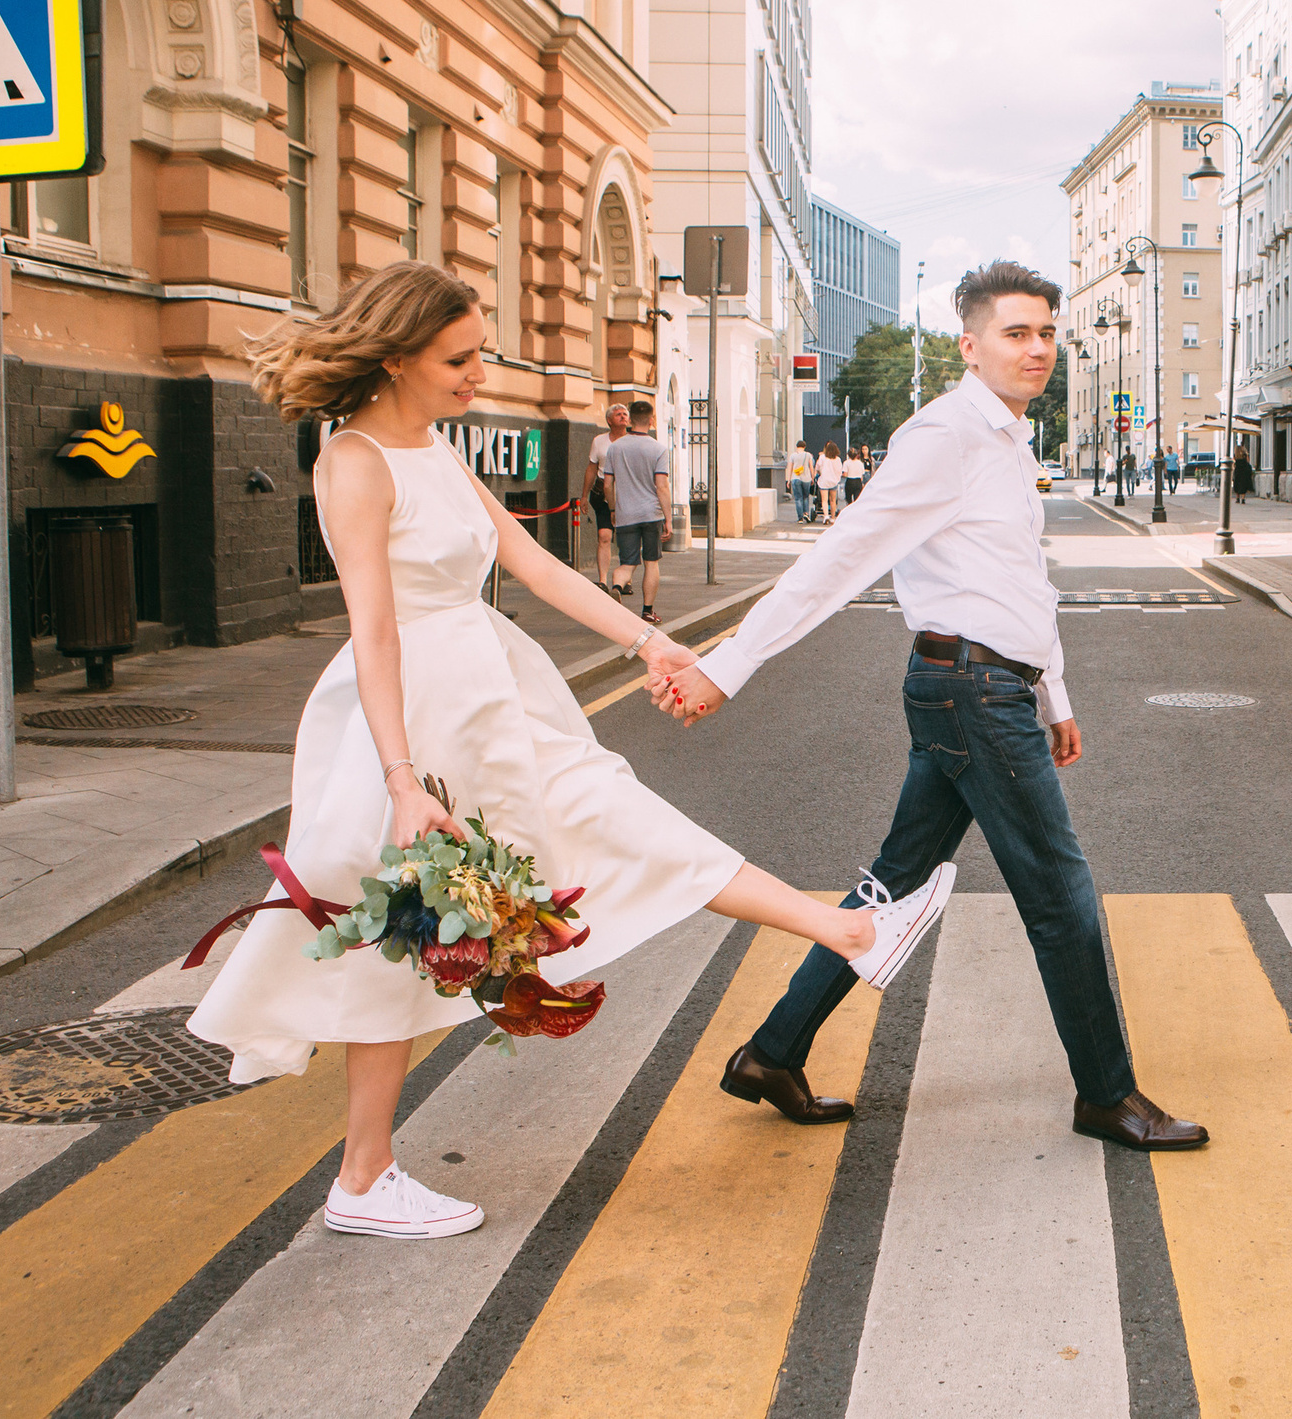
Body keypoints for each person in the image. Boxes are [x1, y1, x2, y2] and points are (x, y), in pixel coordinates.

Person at [196, 261, 945, 1242]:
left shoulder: (432, 446)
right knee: (396, 946)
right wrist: (396, 778)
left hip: (489, 695)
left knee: (606, 814)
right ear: (394, 356)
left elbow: (533, 561)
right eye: (459, 358)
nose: (478, 375)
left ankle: (849, 933)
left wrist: (649, 639)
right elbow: (372, 629)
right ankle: (365, 1177)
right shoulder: (356, 462)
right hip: (411, 720)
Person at [655, 260, 1206, 1154]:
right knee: (1062, 896)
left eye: (1045, 333)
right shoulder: (945, 435)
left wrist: (1055, 692)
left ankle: (772, 1051)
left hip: (988, 687)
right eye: (1014, 333)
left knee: (894, 882)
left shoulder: (1007, 441)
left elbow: (1022, 581)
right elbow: (842, 555)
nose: (1036, 349)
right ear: (971, 344)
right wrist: (730, 662)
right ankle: (1107, 1094)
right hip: (972, 693)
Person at [601, 399, 672, 624]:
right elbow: (661, 486)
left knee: (627, 563)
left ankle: (616, 586)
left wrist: (613, 508)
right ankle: (647, 611)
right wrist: (668, 519)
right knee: (651, 562)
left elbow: (607, 485)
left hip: (626, 514)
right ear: (651, 421)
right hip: (651, 515)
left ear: (630, 419)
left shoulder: (615, 447)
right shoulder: (659, 449)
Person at [585, 404, 628, 588]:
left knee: (626, 537)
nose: (623, 416)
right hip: (603, 493)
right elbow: (591, 469)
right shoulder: (599, 441)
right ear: (609, 421)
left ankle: (625, 579)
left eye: (625, 414)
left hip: (627, 494)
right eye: (618, 414)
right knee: (604, 536)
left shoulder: (633, 441)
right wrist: (583, 495)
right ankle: (602, 580)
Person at [814, 441, 845, 520]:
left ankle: (826, 516)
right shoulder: (838, 459)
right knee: (833, 500)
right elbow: (839, 470)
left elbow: (817, 467)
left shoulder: (822, 458)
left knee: (824, 500)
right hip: (833, 481)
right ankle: (833, 517)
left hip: (824, 481)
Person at [788, 441, 815, 525]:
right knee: (805, 497)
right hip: (806, 478)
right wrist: (812, 478)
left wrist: (788, 480)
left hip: (796, 478)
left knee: (798, 498)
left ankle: (800, 518)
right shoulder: (808, 455)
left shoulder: (793, 455)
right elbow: (811, 467)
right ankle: (806, 513)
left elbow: (790, 468)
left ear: (797, 446)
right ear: (804, 446)